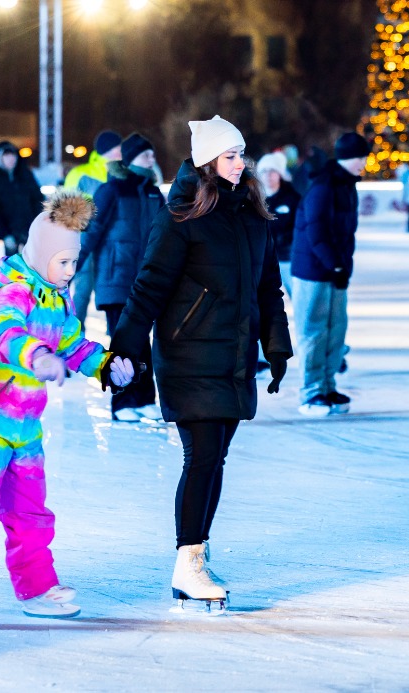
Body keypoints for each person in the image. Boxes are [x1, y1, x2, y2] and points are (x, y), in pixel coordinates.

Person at [109, 116, 292, 609]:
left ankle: (196, 553)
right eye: (230, 156)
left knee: (216, 458)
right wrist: (122, 349)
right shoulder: (181, 215)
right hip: (189, 352)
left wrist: (277, 346)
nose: (240, 164)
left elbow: (267, 288)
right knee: (203, 456)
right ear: (209, 160)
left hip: (233, 355)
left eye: (242, 154)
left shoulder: (252, 214)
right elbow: (148, 287)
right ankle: (187, 562)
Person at [0, 191, 136, 629]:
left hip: (24, 420)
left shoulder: (55, 297)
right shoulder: (15, 291)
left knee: (30, 506)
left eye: (73, 262)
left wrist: (106, 367)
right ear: (43, 254)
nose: (71, 271)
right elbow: (4, 331)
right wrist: (38, 357)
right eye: (63, 262)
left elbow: (74, 344)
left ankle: (37, 587)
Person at [77, 132, 165, 422]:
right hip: (115, 278)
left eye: (152, 155)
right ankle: (123, 402)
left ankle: (143, 399)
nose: (151, 159)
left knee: (143, 340)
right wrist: (70, 268)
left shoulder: (153, 192)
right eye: (145, 155)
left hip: (146, 281)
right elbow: (91, 232)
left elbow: (167, 236)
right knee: (124, 340)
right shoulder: (111, 190)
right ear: (129, 159)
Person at [290, 132, 368, 417]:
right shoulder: (323, 185)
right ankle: (311, 392)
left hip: (336, 269)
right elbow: (316, 230)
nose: (365, 164)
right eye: (362, 158)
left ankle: (327, 385)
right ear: (351, 158)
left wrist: (343, 266)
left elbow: (346, 232)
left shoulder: (347, 185)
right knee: (313, 332)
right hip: (313, 270)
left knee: (335, 331)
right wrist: (334, 264)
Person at [66, 130, 122, 325]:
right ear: (109, 150)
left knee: (113, 289)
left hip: (112, 242)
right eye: (117, 148)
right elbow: (68, 208)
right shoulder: (81, 174)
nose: (121, 151)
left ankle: (114, 333)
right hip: (87, 240)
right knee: (83, 289)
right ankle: (74, 333)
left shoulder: (122, 172)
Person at [0, 141, 45, 256]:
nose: (11, 159)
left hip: (30, 229)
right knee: (12, 267)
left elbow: (38, 200)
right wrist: (4, 234)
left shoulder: (26, 175)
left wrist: (38, 225)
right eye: (6, 156)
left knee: (32, 264)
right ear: (0, 158)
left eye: (13, 156)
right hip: (10, 231)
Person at [256, 151, 301, 297]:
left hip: (287, 259)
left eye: (272, 171)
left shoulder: (292, 198)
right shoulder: (253, 200)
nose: (268, 175)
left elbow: (299, 227)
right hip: (262, 260)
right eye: (264, 171)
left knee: (299, 298)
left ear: (280, 174)